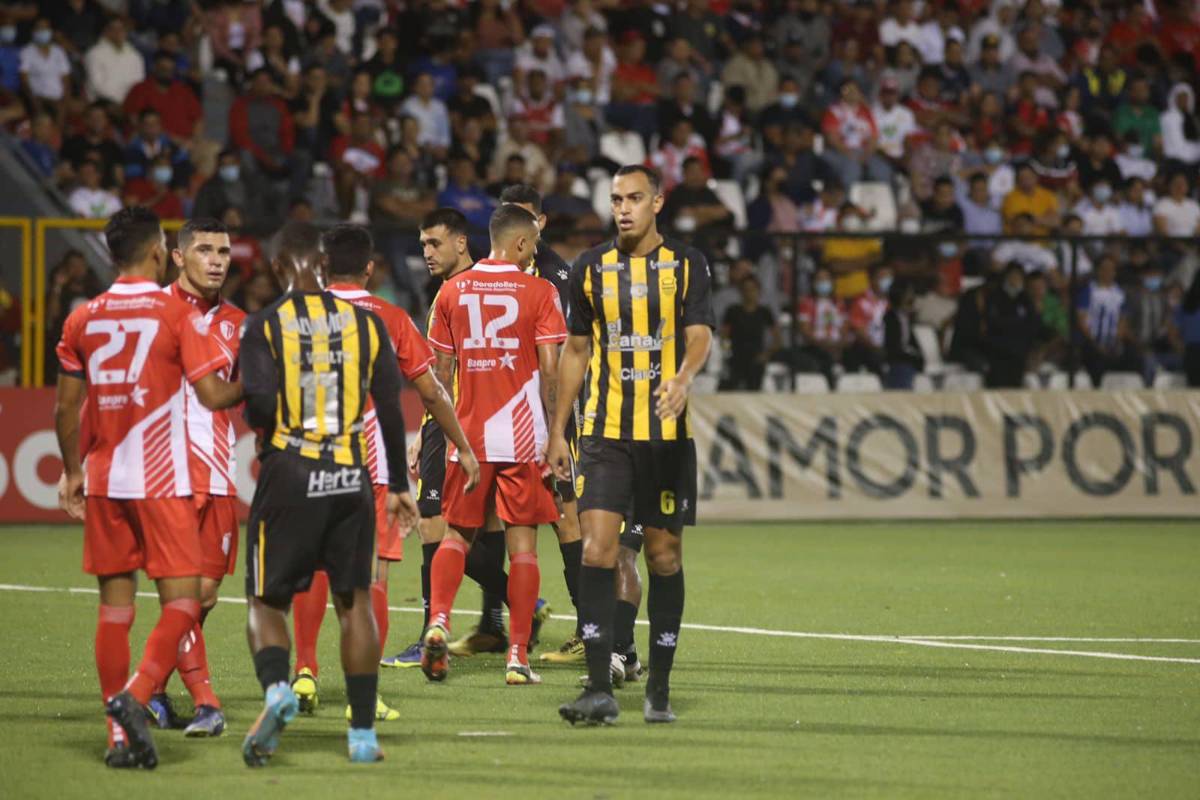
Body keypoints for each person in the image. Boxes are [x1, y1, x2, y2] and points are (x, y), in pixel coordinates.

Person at [53, 206, 242, 769]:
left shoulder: (82, 317)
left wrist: (72, 470)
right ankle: (139, 698)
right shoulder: (174, 313)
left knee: (115, 610)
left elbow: (68, 409)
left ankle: (120, 732)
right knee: (184, 601)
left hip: (108, 478)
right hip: (164, 478)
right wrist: (261, 382)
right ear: (162, 252)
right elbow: (212, 395)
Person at [237, 220, 419, 766]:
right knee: (354, 599)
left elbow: (261, 407)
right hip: (351, 472)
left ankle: (277, 691)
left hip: (290, 468)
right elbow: (389, 408)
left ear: (278, 267)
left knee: (266, 599)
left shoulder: (265, 325)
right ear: (324, 264)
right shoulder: (367, 325)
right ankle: (362, 734)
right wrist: (401, 487)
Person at [287, 224, 476, 719]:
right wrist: (462, 446)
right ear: (370, 268)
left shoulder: (295, 316)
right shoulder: (390, 318)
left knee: (314, 571)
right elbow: (431, 390)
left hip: (307, 462)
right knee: (374, 578)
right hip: (371, 469)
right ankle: (362, 696)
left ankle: (304, 670)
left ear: (321, 267)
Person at [549, 164, 714, 725]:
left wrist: (684, 377)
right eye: (616, 198)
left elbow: (699, 334)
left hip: (665, 439)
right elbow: (575, 351)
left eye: (635, 198)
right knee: (597, 550)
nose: (623, 208)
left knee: (665, 556)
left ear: (658, 203)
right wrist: (556, 431)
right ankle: (599, 686)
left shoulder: (687, 265)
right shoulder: (589, 267)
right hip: (604, 433)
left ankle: (659, 688)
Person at [421, 204, 566, 686]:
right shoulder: (540, 291)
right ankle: (518, 657)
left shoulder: (452, 292)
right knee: (523, 549)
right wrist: (555, 433)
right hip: (523, 438)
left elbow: (439, 376)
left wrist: (447, 437)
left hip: (469, 436)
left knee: (455, 537)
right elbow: (549, 369)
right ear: (523, 244)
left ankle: (438, 621)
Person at [380, 209, 512, 668]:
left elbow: (439, 376)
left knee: (433, 525)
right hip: (497, 422)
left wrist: (428, 430)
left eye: (435, 244)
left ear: (461, 243)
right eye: (422, 245)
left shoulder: (454, 293)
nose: (426, 254)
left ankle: (431, 631)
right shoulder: (494, 286)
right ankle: (496, 622)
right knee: (487, 525)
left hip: (455, 422)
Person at [139, 219, 244, 737]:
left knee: (203, 599)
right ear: (178, 257)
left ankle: (153, 692)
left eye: (223, 250)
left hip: (219, 472)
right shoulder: (150, 312)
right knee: (185, 597)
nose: (217, 259)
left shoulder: (239, 323)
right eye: (204, 250)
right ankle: (206, 702)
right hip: (167, 474)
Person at [720, 275, 781, 391]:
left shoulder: (764, 312)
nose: (749, 293)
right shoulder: (733, 311)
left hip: (756, 358)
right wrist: (726, 352)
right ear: (741, 291)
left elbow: (777, 339)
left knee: (754, 382)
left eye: (753, 289)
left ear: (759, 291)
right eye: (746, 289)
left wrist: (766, 355)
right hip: (736, 357)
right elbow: (724, 336)